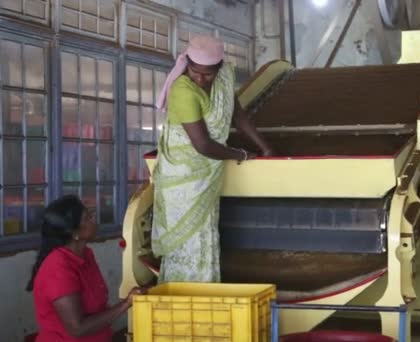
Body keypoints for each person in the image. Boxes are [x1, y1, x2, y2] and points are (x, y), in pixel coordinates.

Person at [152, 35, 273, 283]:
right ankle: (183, 296)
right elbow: (203, 144)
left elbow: (236, 114)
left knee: (205, 234)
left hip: (207, 176)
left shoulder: (224, 78)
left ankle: (205, 291)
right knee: (188, 240)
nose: (200, 78)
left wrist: (264, 147)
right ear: (188, 65)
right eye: (195, 71)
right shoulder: (183, 90)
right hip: (184, 179)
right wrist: (242, 155)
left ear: (219, 68)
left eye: (208, 74)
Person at [27, 195, 146, 341]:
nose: (94, 219)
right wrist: (126, 303)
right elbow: (78, 328)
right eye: (88, 217)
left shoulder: (86, 254)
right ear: (75, 233)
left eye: (91, 214)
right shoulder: (58, 268)